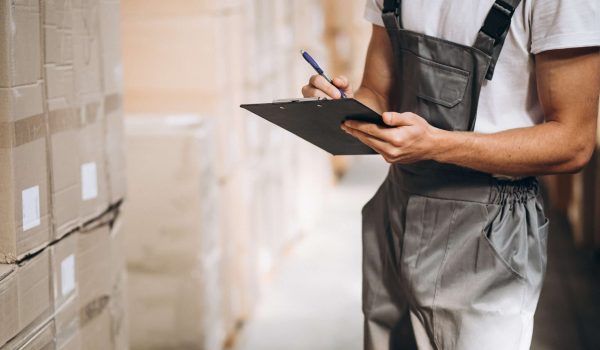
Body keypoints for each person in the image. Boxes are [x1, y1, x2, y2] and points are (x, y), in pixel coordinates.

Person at [302, 1, 600, 349]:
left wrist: (435, 145)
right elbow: (379, 93)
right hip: (397, 210)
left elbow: (573, 141)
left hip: (489, 232)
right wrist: (342, 105)